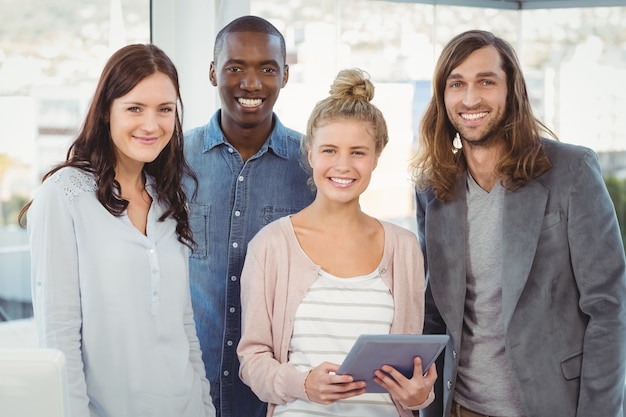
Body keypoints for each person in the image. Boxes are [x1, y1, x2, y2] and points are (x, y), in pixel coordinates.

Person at [411, 29, 626, 417]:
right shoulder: (433, 189)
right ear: (443, 97)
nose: (471, 98)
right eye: (456, 83)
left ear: (512, 91)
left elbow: (609, 309)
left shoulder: (572, 171)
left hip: (552, 405)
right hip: (461, 408)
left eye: (486, 82)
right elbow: (435, 312)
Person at [18, 44, 215, 417]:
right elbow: (59, 335)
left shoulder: (169, 199)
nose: (151, 124)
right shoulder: (63, 196)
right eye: (135, 108)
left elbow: (183, 324)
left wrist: (205, 407)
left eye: (165, 110)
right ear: (107, 111)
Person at [237, 68, 437, 417]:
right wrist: (304, 384)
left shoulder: (404, 249)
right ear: (311, 154)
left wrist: (418, 396)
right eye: (329, 150)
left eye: (358, 152)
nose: (343, 166)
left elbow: (411, 375)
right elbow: (252, 361)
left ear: (376, 157)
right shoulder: (271, 246)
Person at [182, 15, 315, 417]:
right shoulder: (172, 160)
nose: (251, 83)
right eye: (235, 67)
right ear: (212, 73)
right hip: (189, 387)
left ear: (286, 75)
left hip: (278, 394)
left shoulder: (312, 164)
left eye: (267, 69)